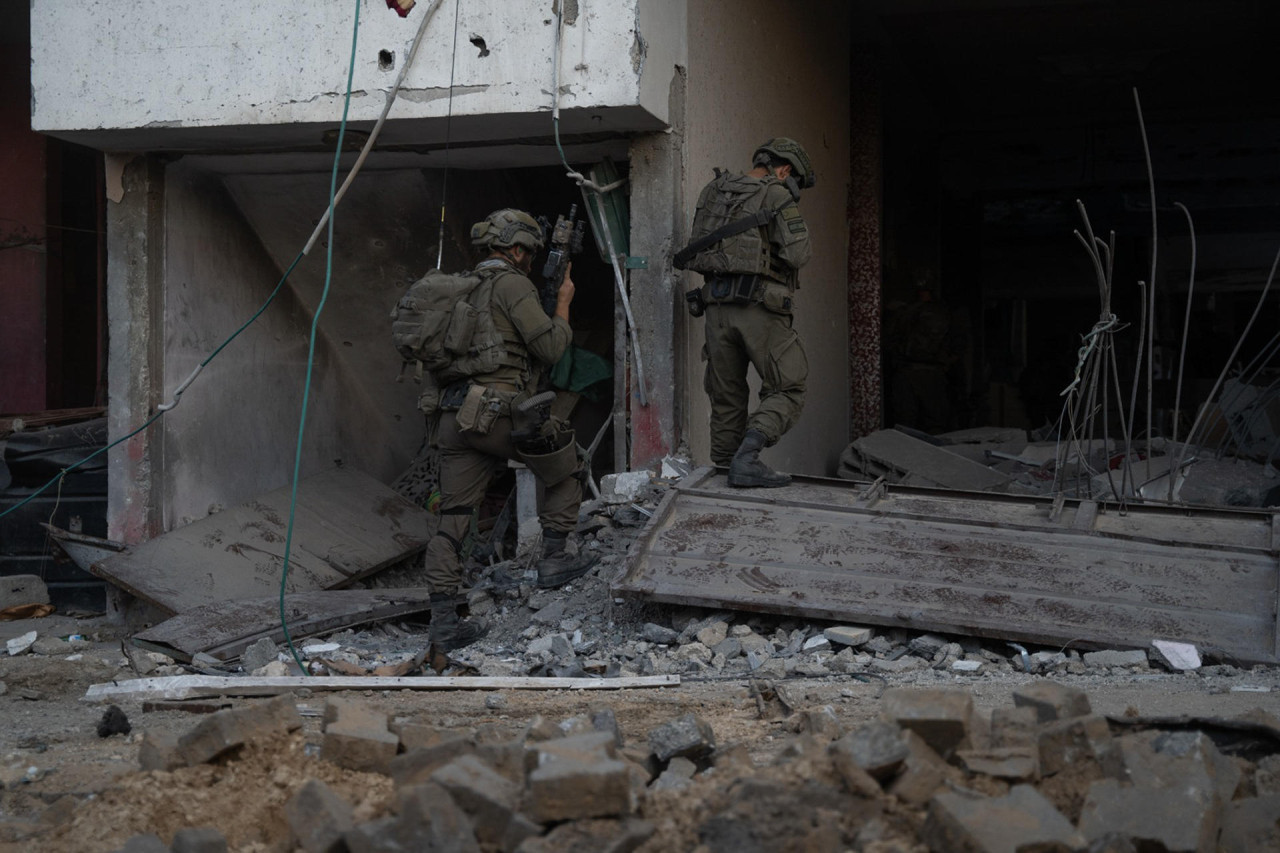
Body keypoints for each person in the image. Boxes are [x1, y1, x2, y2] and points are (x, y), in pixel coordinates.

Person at [422, 208, 594, 655]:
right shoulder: (513, 284)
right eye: (529, 253)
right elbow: (552, 348)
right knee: (569, 463)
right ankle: (555, 560)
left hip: (454, 417)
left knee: (453, 519)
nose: (531, 261)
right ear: (516, 249)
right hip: (498, 413)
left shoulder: (463, 287)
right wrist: (562, 303)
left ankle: (443, 625)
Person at [678, 137, 814, 487]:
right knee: (788, 388)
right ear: (784, 169)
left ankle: (726, 472)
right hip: (759, 309)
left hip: (716, 309)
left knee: (726, 398)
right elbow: (798, 255)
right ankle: (748, 457)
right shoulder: (776, 194)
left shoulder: (714, 190)